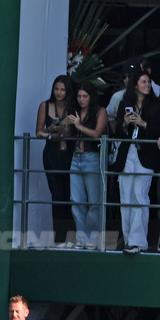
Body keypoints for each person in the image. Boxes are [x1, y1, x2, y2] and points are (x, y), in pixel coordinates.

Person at [112, 71, 160, 253]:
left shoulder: (157, 104)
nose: (147, 85)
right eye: (144, 82)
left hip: (145, 154)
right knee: (125, 196)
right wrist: (125, 124)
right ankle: (128, 239)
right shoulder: (125, 104)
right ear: (135, 84)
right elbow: (117, 132)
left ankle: (138, 241)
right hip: (127, 153)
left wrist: (143, 124)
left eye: (149, 82)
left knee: (139, 196)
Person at [65, 82, 108, 248]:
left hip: (92, 157)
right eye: (79, 96)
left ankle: (92, 239)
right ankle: (81, 239)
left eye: (85, 96)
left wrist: (78, 125)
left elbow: (97, 134)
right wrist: (67, 124)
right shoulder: (75, 112)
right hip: (76, 157)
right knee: (76, 200)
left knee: (94, 202)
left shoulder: (99, 111)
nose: (81, 99)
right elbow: (68, 135)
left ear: (91, 97)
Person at [35, 75, 75, 247]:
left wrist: (61, 132)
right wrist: (52, 132)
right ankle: (59, 238)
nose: (59, 93)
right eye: (56, 89)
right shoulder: (45, 105)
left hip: (69, 155)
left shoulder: (73, 107)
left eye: (62, 89)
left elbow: (73, 133)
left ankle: (71, 236)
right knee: (57, 195)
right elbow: (38, 132)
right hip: (51, 154)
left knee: (70, 195)